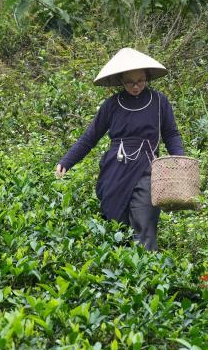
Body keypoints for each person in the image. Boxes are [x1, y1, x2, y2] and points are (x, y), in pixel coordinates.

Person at [55, 48, 185, 251]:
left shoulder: (160, 101)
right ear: (121, 81)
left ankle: (149, 272)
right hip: (115, 169)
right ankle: (121, 274)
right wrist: (67, 161)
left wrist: (180, 161)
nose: (136, 86)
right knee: (116, 224)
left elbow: (171, 134)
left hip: (148, 168)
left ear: (147, 77)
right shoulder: (112, 105)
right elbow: (90, 137)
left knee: (145, 221)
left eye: (140, 81)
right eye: (130, 82)